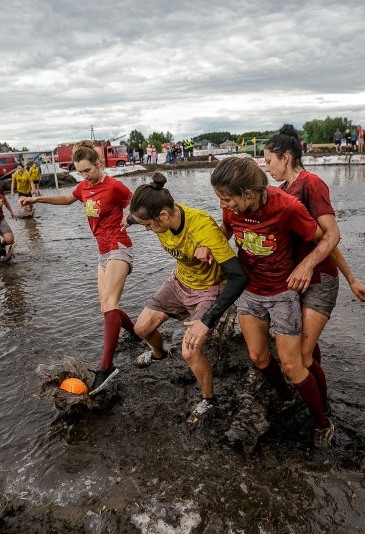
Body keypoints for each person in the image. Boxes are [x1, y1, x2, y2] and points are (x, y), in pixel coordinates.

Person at [209, 157, 337, 448]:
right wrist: (208, 245)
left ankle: (322, 422)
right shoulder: (231, 210)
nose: (224, 205)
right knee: (258, 357)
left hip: (283, 293)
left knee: (293, 365)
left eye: (228, 199)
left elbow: (324, 238)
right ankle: (287, 397)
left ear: (249, 194)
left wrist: (306, 266)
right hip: (250, 291)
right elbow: (224, 234)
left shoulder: (286, 206)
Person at [262, 125, 365, 426]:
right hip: (296, 281)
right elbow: (318, 237)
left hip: (319, 279)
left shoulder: (312, 184)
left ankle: (324, 412)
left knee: (303, 357)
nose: (266, 167)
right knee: (308, 351)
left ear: (287, 158)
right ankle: (315, 394)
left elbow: (332, 236)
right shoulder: (283, 193)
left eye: (269, 161)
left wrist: (337, 275)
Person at [126, 172, 248, 419]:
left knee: (190, 351)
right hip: (179, 281)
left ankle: (208, 400)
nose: (149, 231)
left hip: (208, 290)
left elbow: (239, 276)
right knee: (141, 329)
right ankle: (160, 354)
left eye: (148, 225)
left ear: (163, 215)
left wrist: (207, 320)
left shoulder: (202, 228)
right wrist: (128, 221)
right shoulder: (158, 212)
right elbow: (136, 215)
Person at [19, 141, 137, 393]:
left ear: (99, 164)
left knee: (109, 304)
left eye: (88, 170)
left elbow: (137, 202)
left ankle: (106, 366)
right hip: (102, 252)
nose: (85, 176)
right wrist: (37, 198)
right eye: (80, 172)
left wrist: (131, 218)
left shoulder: (114, 186)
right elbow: (66, 198)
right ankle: (137, 333)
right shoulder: (84, 186)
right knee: (106, 304)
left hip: (118, 244)